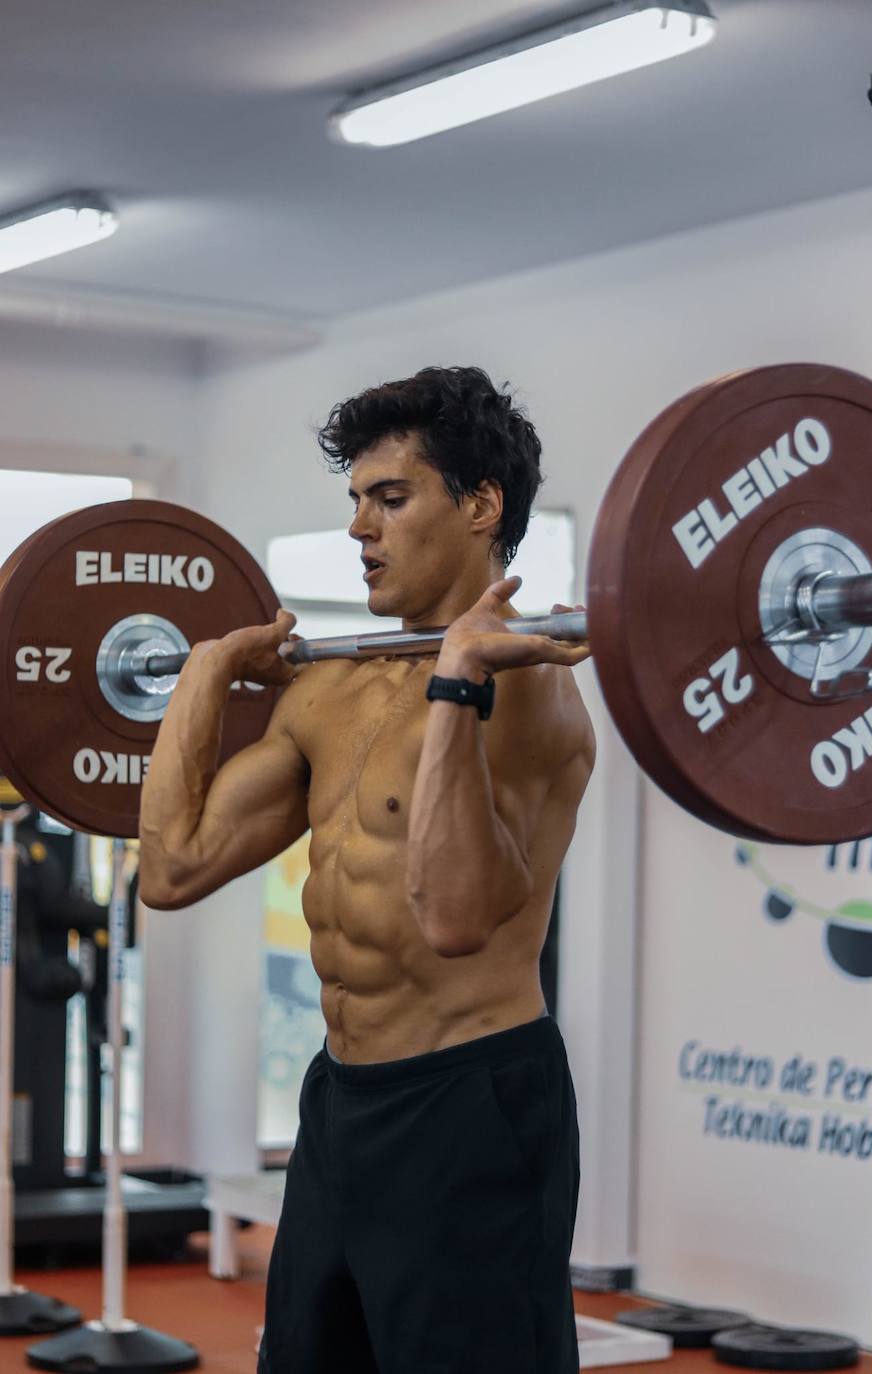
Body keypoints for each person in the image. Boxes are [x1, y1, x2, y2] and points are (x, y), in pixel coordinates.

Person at [139, 365, 596, 1374]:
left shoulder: (533, 698)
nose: (360, 529)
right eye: (355, 502)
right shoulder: (326, 694)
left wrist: (457, 684)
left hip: (470, 1104)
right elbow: (169, 872)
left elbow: (454, 915)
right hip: (341, 1102)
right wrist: (204, 680)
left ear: (480, 507)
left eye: (390, 499)